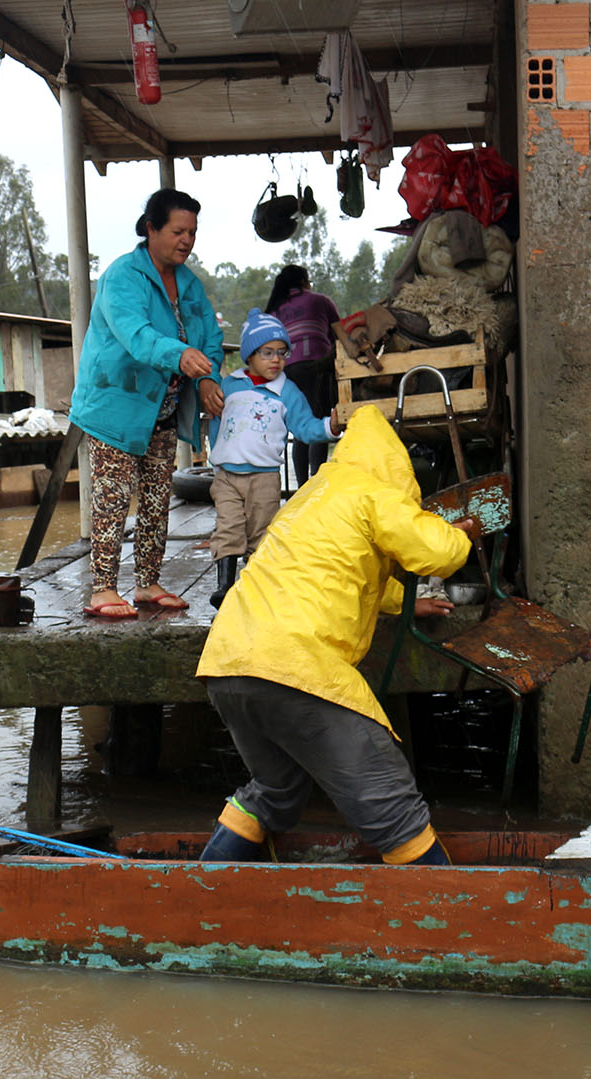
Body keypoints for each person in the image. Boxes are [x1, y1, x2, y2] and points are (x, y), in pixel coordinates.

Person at [194, 402, 481, 866]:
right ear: (394, 463)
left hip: (227, 661)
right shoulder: (372, 492)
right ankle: (454, 922)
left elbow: (334, 569)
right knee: (391, 806)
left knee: (275, 790)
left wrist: (400, 602)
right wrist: (464, 535)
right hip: (295, 664)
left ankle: (197, 893)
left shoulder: (311, 496)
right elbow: (435, 553)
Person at [69, 189, 225, 619]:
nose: (187, 240)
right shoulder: (122, 277)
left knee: (157, 500)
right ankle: (102, 589)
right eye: (178, 231)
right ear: (151, 228)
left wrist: (209, 375)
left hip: (163, 409)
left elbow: (209, 336)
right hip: (115, 407)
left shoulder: (189, 283)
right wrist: (178, 353)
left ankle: (147, 584)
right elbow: (135, 334)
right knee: (113, 500)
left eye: (192, 231)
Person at [206, 309, 343, 607]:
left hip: (265, 477)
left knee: (261, 533)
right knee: (228, 527)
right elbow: (214, 422)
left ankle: (256, 589)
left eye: (282, 353)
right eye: (267, 352)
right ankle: (225, 587)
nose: (276, 360)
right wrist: (217, 457)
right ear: (249, 356)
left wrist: (329, 427)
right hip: (227, 476)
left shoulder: (287, 391)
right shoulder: (228, 386)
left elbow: (305, 427)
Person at [265, 264, 343, 486]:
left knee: (299, 427)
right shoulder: (320, 301)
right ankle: (316, 484)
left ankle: (301, 488)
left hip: (285, 370)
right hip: (315, 367)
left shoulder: (274, 309)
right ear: (304, 282)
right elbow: (339, 337)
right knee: (318, 423)